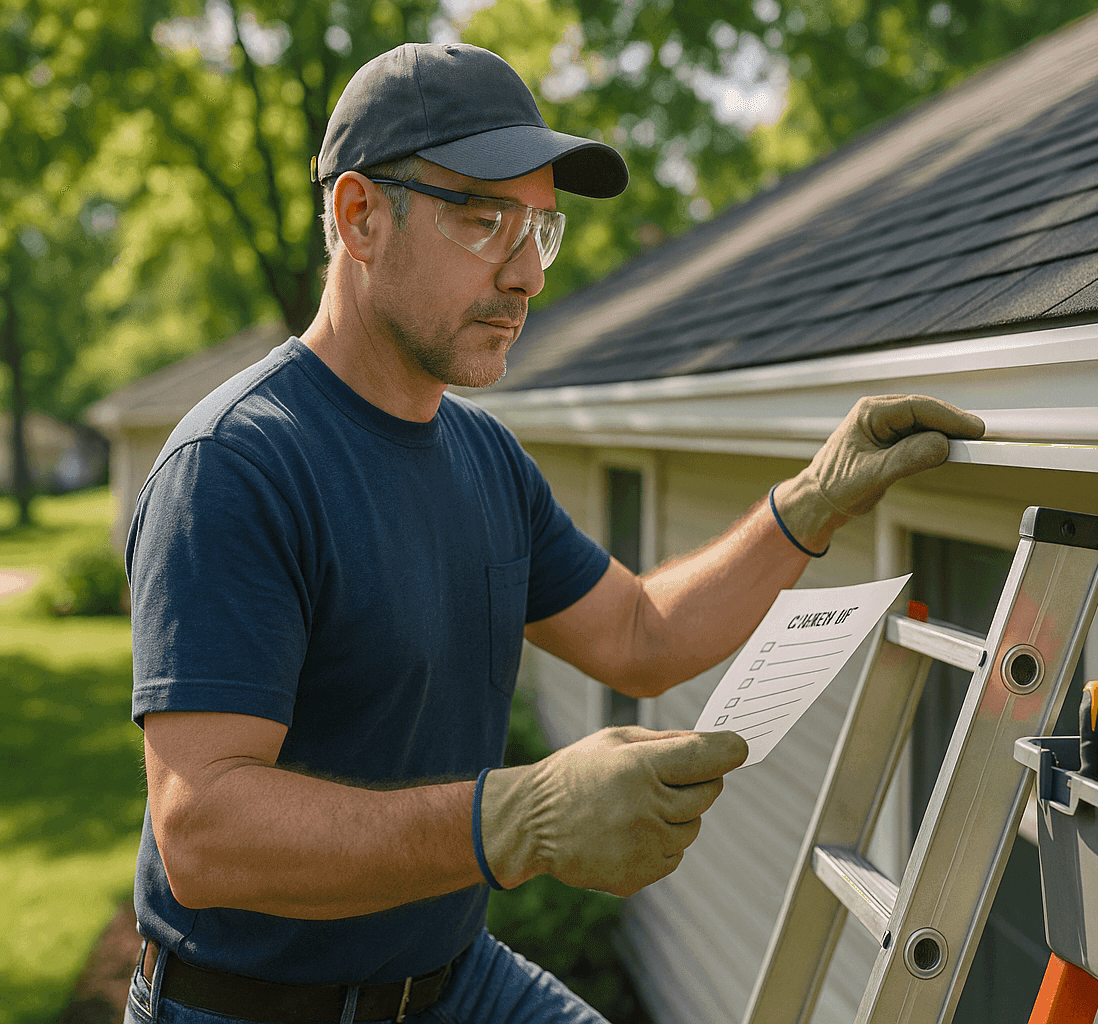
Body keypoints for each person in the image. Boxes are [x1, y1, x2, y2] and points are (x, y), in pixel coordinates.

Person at [124, 42, 986, 1024]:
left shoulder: (485, 460)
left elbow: (642, 633)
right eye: (484, 219)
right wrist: (518, 816)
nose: (528, 273)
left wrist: (813, 502)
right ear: (361, 217)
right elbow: (203, 836)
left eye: (539, 226)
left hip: (454, 981)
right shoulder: (239, 467)